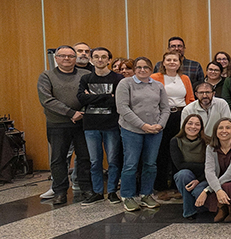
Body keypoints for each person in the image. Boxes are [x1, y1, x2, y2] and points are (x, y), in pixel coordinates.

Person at [39, 45, 94, 204]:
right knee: (58, 159)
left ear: (75, 59)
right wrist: (71, 113)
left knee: (85, 157)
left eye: (70, 56)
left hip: (82, 123)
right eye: (62, 56)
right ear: (56, 58)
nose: (66, 59)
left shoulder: (85, 75)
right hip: (57, 123)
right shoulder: (47, 76)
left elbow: (92, 96)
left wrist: (80, 113)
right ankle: (60, 192)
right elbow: (47, 100)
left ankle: (86, 189)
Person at [115, 56, 169, 212]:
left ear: (151, 70)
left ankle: (146, 194)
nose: (142, 70)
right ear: (134, 69)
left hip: (155, 131)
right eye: (139, 67)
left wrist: (160, 124)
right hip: (132, 130)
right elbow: (123, 108)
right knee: (131, 164)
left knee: (150, 164)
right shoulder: (125, 84)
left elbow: (165, 108)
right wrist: (143, 126)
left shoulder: (158, 85)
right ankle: (127, 196)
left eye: (146, 67)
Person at [76, 46, 123, 204]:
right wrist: (107, 96)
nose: (100, 60)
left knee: (113, 160)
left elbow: (117, 101)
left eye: (103, 57)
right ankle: (97, 191)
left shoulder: (117, 78)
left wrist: (93, 97)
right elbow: (81, 98)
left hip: (111, 125)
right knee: (95, 161)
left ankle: (112, 191)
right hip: (91, 125)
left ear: (109, 60)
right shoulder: (86, 79)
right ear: (91, 59)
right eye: (96, 57)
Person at [151, 51, 195, 197]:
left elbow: (190, 99)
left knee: (179, 149)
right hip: (163, 116)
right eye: (168, 60)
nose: (172, 62)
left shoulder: (184, 78)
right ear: (163, 63)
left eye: (175, 60)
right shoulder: (155, 78)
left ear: (179, 63)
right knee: (162, 150)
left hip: (181, 116)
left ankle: (178, 185)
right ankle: (161, 186)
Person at [195, 118, 231, 222]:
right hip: (220, 181)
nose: (224, 131)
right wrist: (217, 189)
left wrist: (208, 190)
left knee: (226, 186)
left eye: (228, 128)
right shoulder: (210, 148)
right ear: (215, 132)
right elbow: (209, 171)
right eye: (220, 128)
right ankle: (223, 208)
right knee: (202, 189)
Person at [172, 114, 209, 219]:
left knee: (198, 192)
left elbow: (210, 167)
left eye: (197, 124)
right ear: (184, 125)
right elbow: (180, 165)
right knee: (183, 174)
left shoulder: (207, 142)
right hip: (186, 177)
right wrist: (202, 166)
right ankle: (189, 211)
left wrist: (198, 180)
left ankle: (201, 206)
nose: (193, 127)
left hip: (204, 177)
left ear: (201, 127)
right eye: (190, 123)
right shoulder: (175, 141)